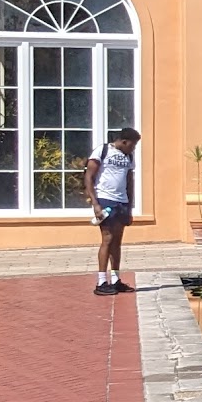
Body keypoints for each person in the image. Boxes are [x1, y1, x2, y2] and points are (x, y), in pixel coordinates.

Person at [84, 126, 139, 295]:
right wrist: (95, 204)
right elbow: (89, 177)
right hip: (105, 200)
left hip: (121, 202)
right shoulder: (103, 150)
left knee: (117, 242)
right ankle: (101, 282)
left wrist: (129, 208)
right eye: (132, 144)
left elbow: (130, 181)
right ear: (124, 141)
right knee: (107, 239)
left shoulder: (128, 156)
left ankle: (115, 279)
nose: (134, 148)